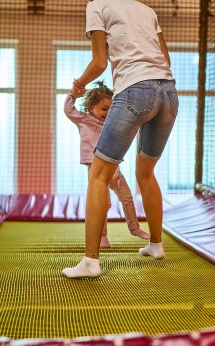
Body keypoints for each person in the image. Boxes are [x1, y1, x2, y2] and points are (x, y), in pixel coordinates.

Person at [62, 0, 178, 279]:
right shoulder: (146, 10)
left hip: (135, 92)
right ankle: (156, 244)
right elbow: (165, 60)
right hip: (168, 94)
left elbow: (100, 62)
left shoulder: (97, 5)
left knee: (98, 176)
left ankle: (90, 261)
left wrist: (78, 85)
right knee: (146, 173)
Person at [64, 80, 151, 248]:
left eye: (111, 109)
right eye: (104, 109)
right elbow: (69, 110)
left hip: (112, 165)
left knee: (126, 197)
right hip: (95, 167)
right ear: (91, 108)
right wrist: (73, 94)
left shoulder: (112, 123)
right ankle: (102, 236)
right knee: (103, 202)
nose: (108, 113)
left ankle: (134, 227)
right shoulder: (84, 119)